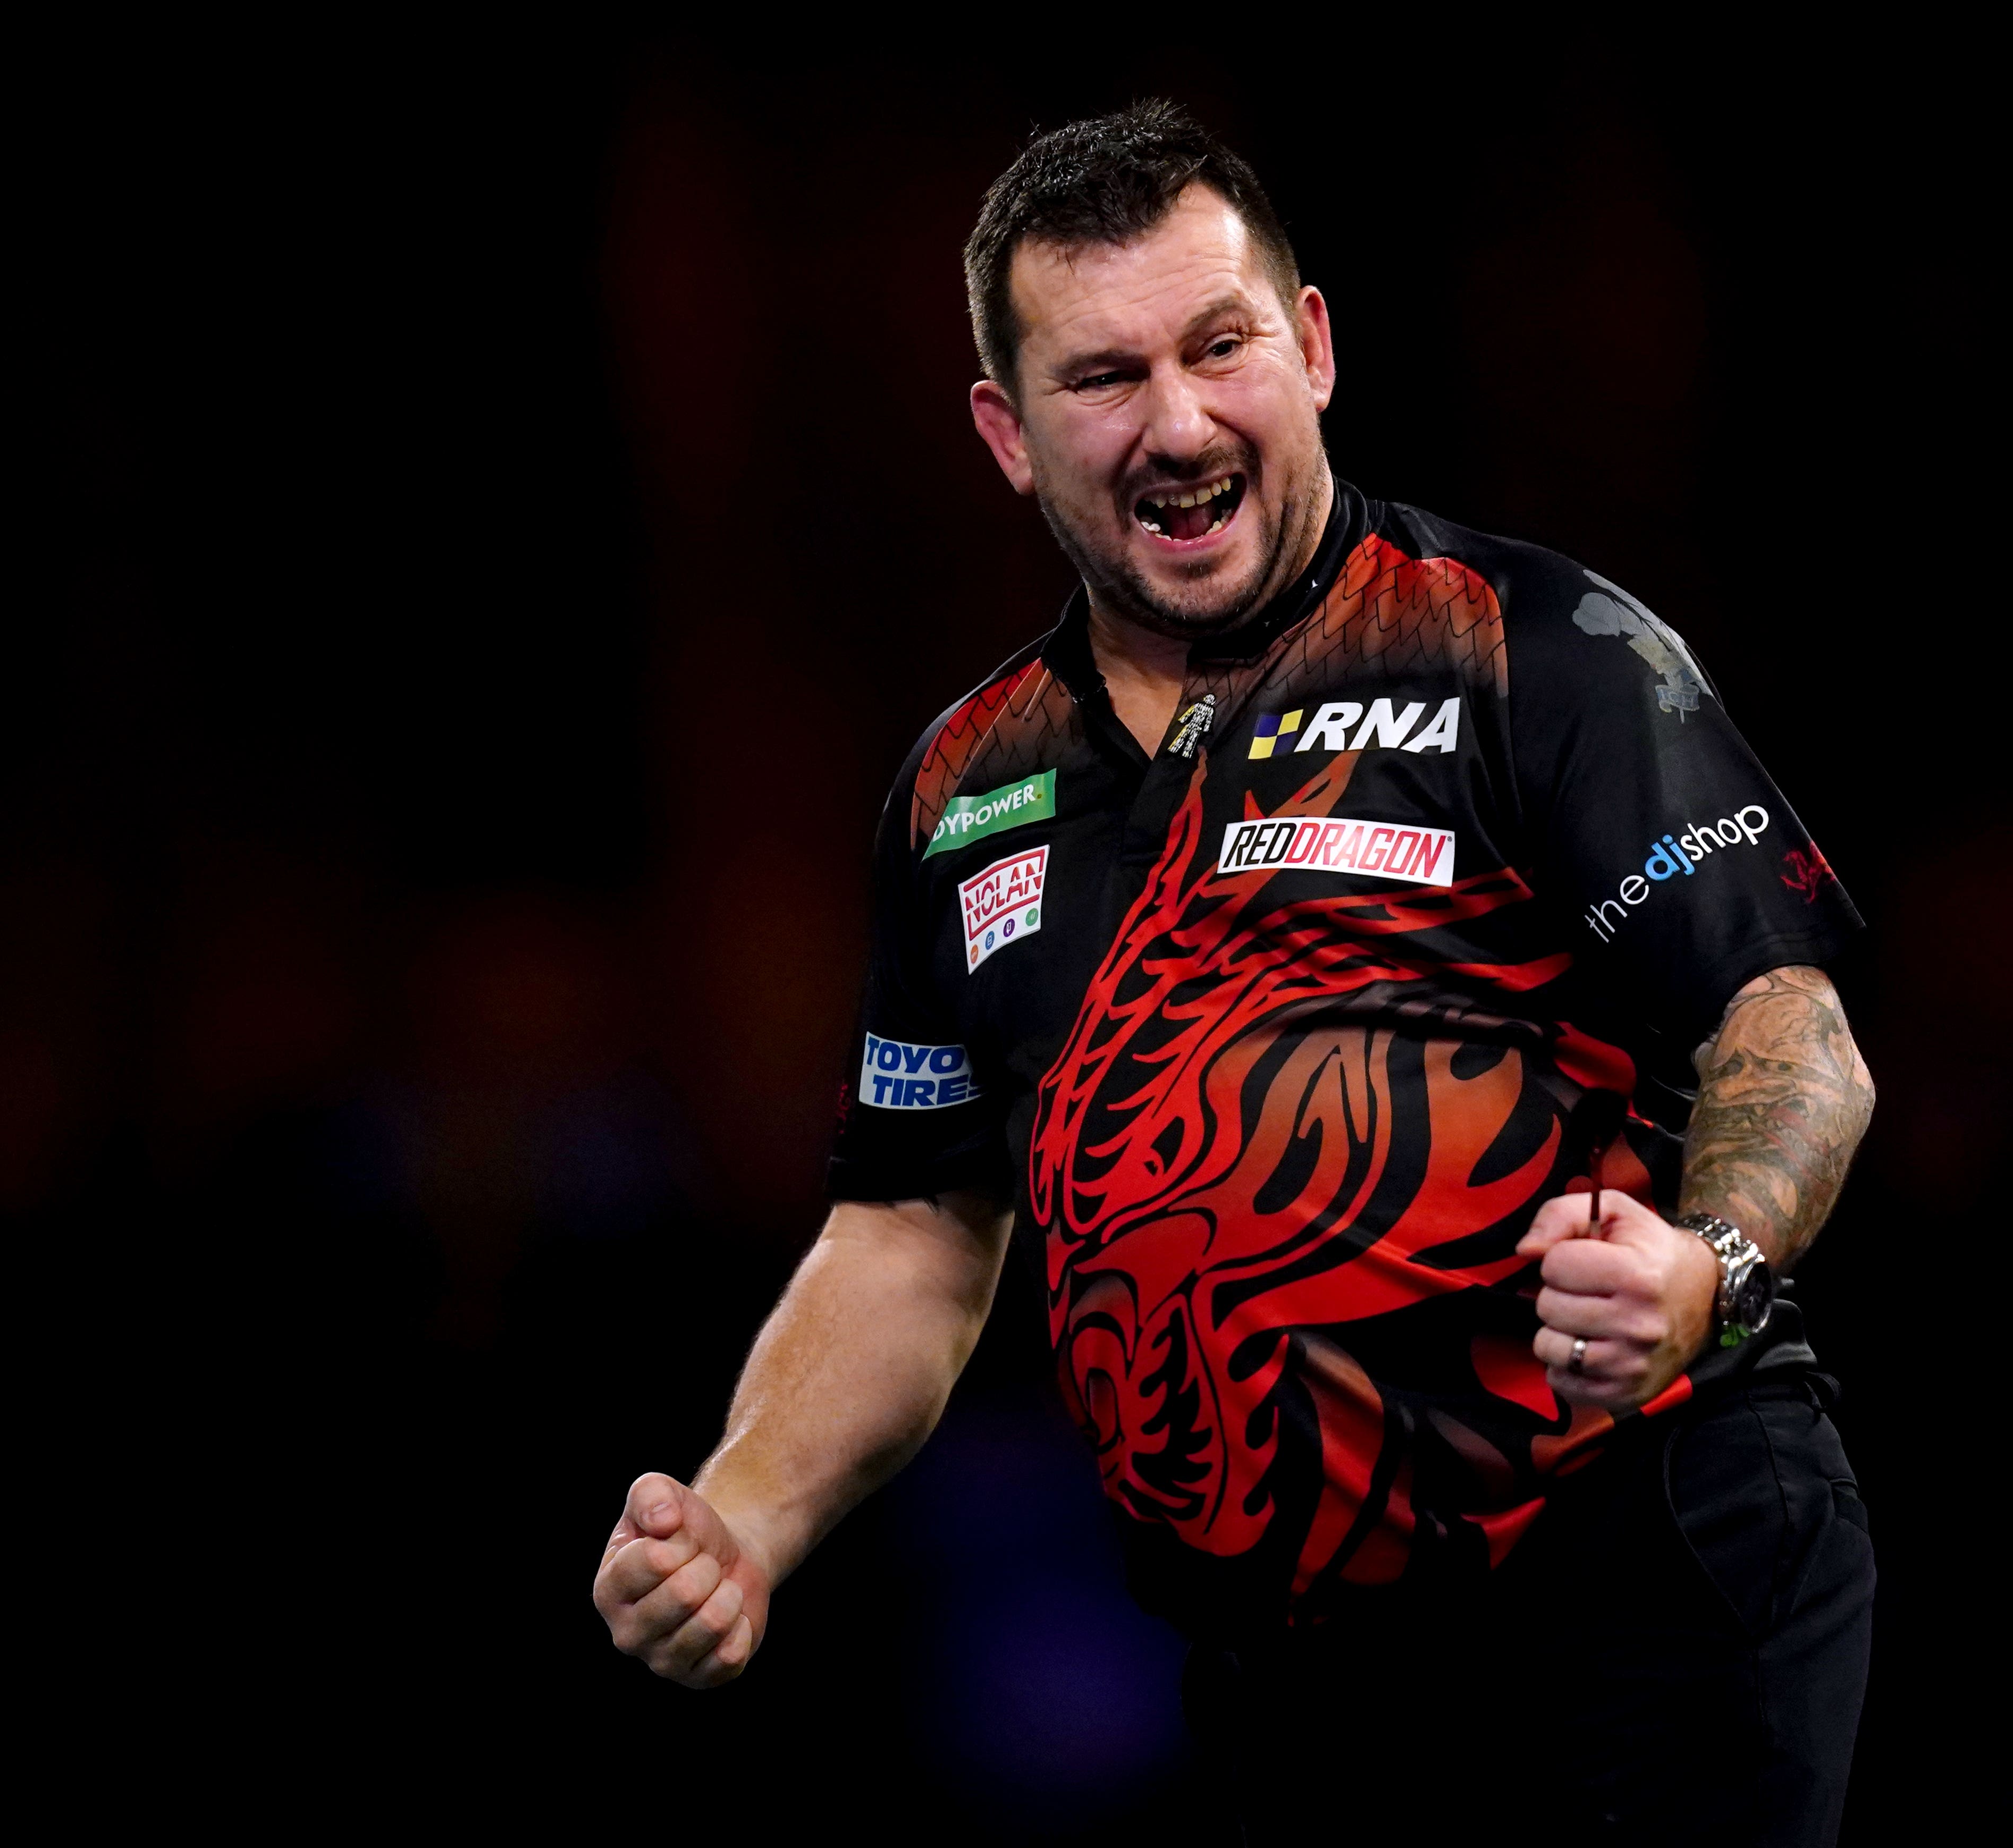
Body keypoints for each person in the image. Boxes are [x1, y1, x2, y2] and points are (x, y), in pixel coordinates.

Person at [593, 99, 1879, 1843]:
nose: (1179, 424)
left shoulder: (1534, 648)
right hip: (1292, 1690)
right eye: (1104, 377)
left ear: (1316, 346)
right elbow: (916, 1224)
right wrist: (745, 1515)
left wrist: (1703, 1266)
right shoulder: (967, 788)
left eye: (1221, 347)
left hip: (1642, 1586)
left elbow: (1784, 1025)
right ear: (1007, 432)